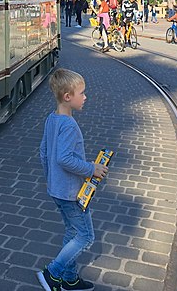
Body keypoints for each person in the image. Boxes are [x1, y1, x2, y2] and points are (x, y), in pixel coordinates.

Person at [37, 68, 108, 291]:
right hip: (70, 192)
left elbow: (43, 152)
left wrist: (51, 179)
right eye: (82, 93)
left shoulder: (52, 119)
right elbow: (64, 158)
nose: (85, 97)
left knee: (71, 231)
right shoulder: (69, 125)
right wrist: (91, 169)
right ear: (68, 97)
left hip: (56, 189)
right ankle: (53, 273)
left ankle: (69, 278)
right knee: (85, 236)